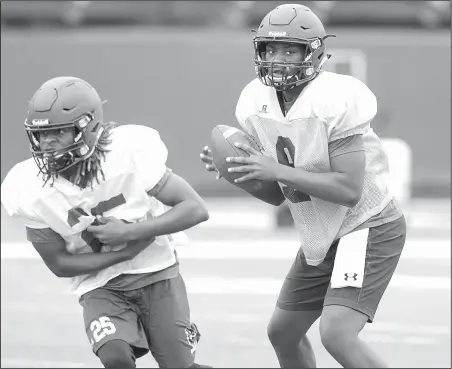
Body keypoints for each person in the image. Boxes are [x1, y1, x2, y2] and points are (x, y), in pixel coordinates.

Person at [200, 4, 406, 368]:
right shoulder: (255, 102)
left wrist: (275, 169)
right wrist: (243, 173)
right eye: (272, 49)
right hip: (321, 231)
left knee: (337, 335)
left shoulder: (334, 99)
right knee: (282, 332)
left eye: (290, 50)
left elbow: (348, 190)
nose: (279, 59)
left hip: (367, 224)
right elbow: (277, 197)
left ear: (313, 52)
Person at [1, 76, 212, 369]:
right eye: (41, 135)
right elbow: (59, 264)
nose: (46, 145)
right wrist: (122, 252)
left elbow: (195, 208)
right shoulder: (29, 187)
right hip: (100, 287)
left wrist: (132, 231)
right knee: (115, 357)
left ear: (88, 128)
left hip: (157, 273)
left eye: (58, 133)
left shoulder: (128, 152)